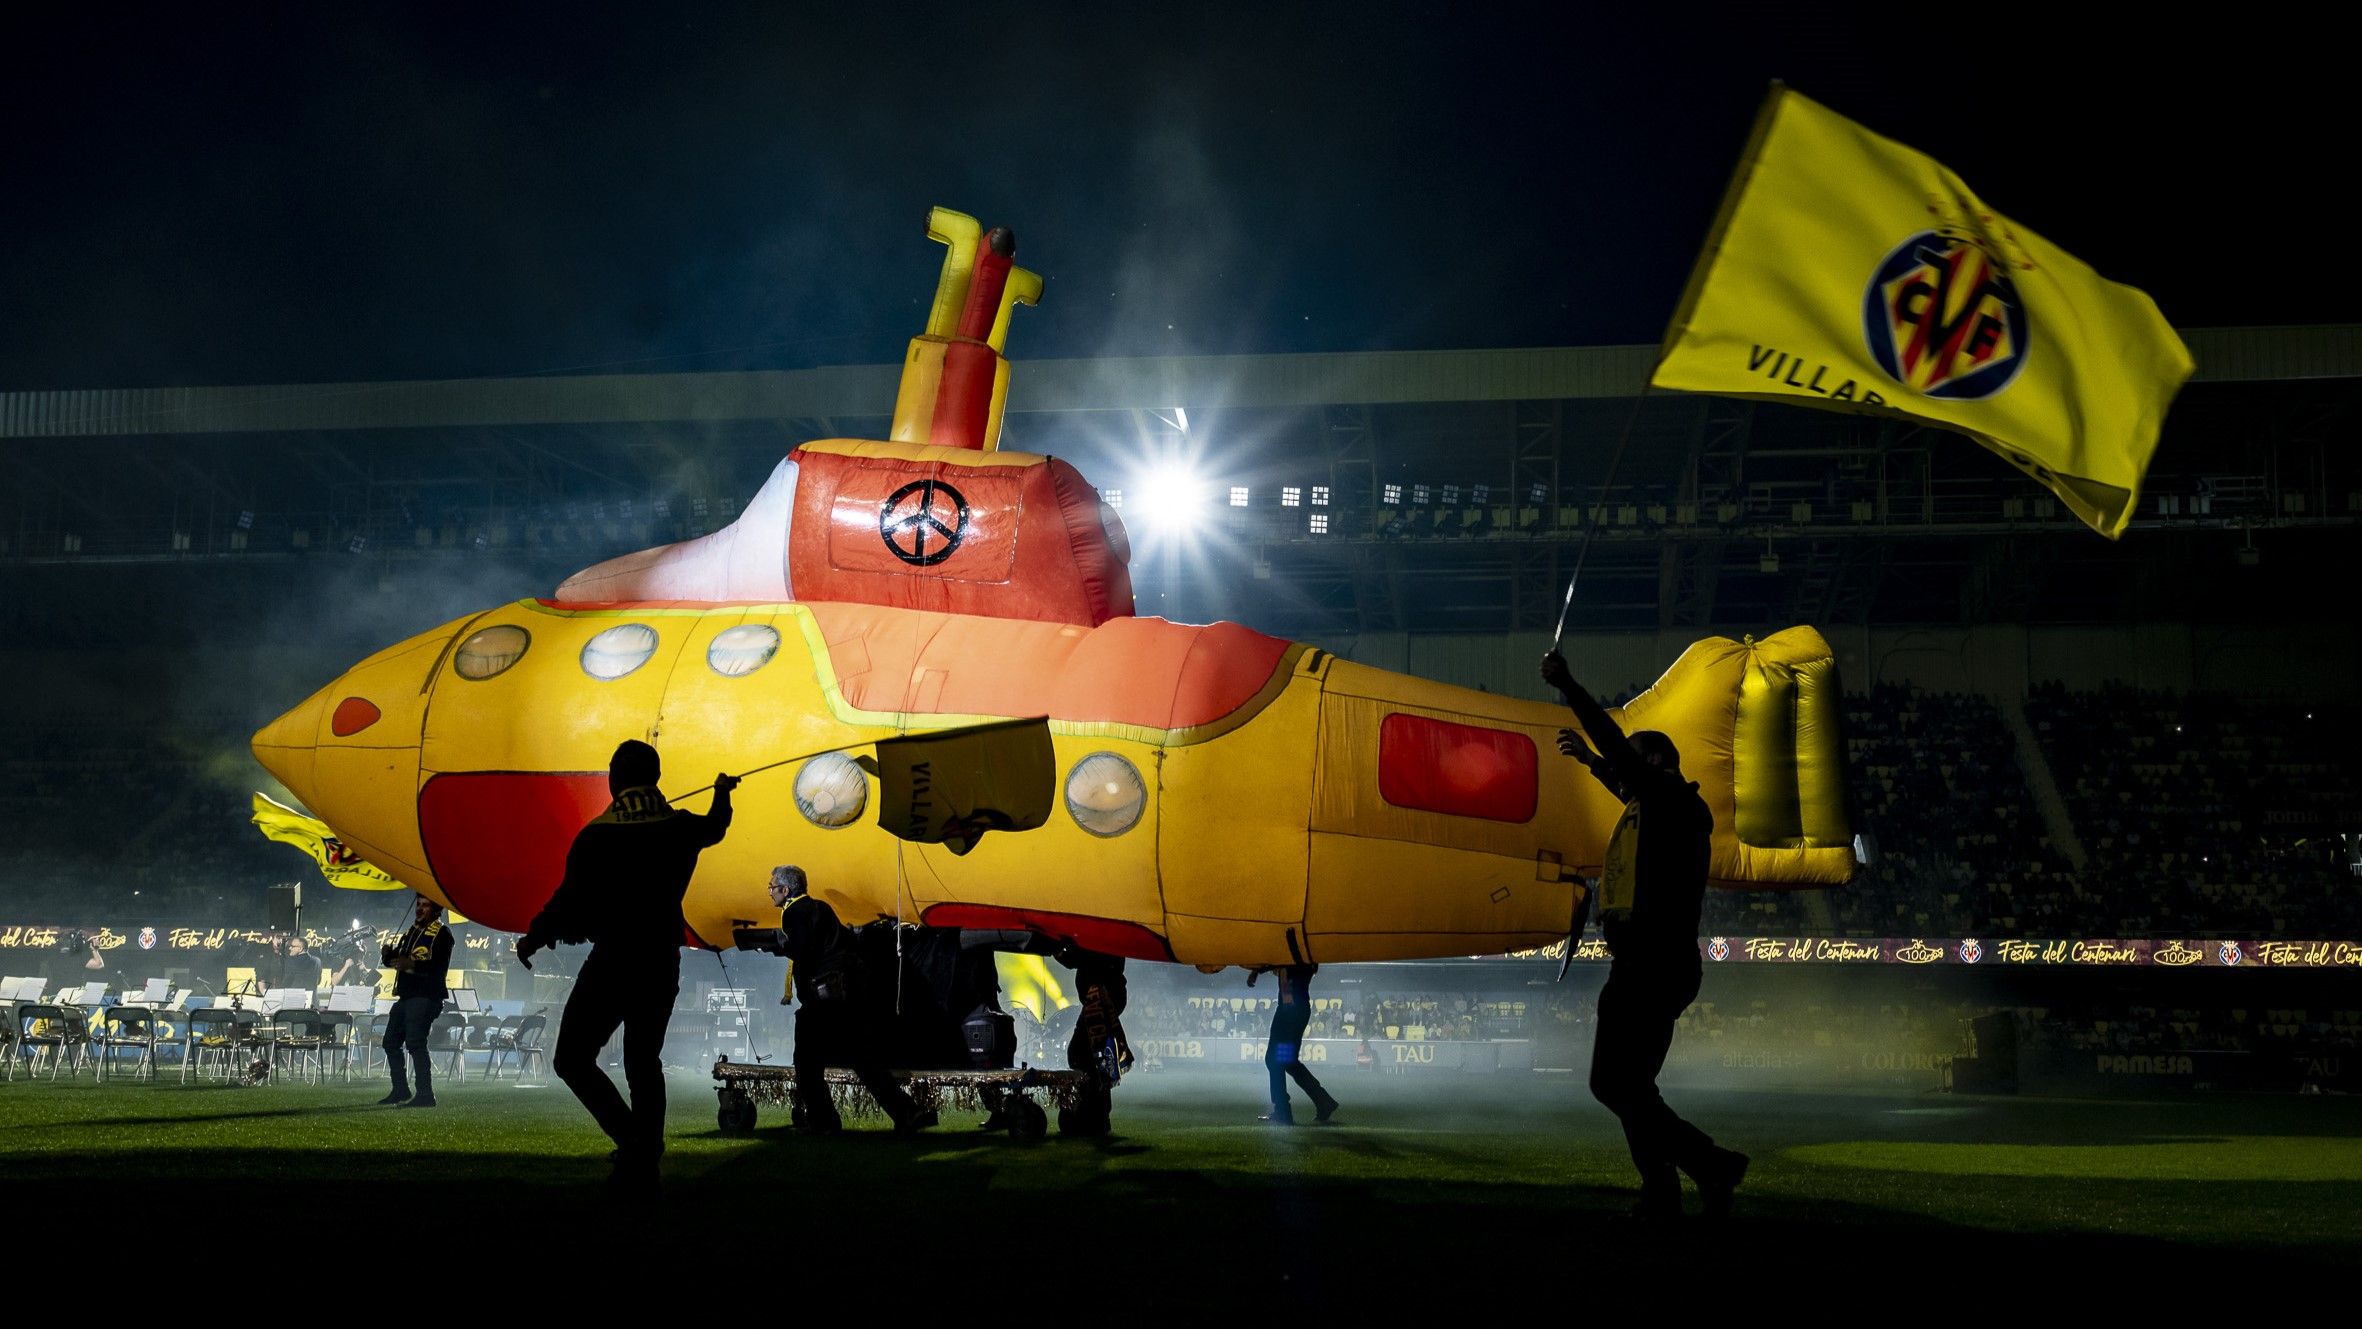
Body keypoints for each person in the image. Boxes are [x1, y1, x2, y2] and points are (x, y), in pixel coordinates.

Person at [1542, 649, 1748, 1220]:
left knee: (1617, 1083)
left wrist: (1570, 685)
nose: (1624, 770)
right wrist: (1590, 762)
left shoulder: (1672, 801)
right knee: (1626, 1086)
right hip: (1645, 963)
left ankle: (1702, 1169)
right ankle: (1676, 1183)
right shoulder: (1660, 805)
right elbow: (1624, 777)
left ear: (1656, 760)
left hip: (1653, 964)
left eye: (1634, 762)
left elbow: (1621, 754)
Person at [516, 740, 738, 1171]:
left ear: (614, 781)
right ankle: (646, 1150)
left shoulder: (597, 836)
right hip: (660, 961)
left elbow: (567, 901)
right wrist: (722, 792)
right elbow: (715, 826)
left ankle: (634, 1141)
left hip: (614, 960)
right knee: (643, 1060)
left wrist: (535, 937)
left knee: (572, 1058)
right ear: (656, 777)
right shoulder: (680, 829)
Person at [767, 866, 930, 1134]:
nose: (770, 892)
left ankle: (823, 1122)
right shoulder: (822, 907)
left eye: (772, 887)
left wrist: (780, 944)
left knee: (806, 1062)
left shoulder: (793, 913)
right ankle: (907, 1112)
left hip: (823, 1000)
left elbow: (803, 951)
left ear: (785, 891)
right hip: (848, 996)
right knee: (864, 1060)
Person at [378, 895, 454, 1107]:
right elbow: (398, 960)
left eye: (425, 905)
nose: (419, 909)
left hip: (426, 996)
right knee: (391, 1042)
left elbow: (438, 968)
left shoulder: (442, 934)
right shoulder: (411, 932)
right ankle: (401, 1089)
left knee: (415, 1043)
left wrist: (410, 965)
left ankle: (425, 1094)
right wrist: (387, 955)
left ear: (437, 910)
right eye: (418, 905)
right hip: (406, 997)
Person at [1252, 963, 1339, 1125]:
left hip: (1290, 1011)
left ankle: (1283, 1111)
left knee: (1275, 1061)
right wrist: (1258, 971)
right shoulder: (1299, 956)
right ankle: (1323, 1101)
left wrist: (1257, 971)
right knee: (1288, 1062)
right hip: (1292, 1010)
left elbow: (1280, 963)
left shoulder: (1296, 956)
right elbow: (1279, 964)